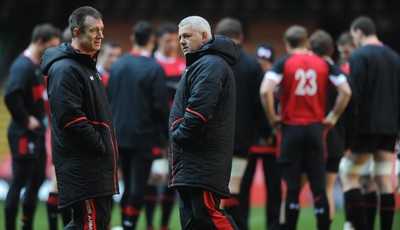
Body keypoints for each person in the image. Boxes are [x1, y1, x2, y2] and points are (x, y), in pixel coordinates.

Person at [260, 25, 351, 230]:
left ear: (287, 44)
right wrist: (333, 117)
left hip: (291, 129)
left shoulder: (285, 62)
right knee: (319, 189)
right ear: (306, 42)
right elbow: (345, 91)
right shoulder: (321, 63)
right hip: (315, 129)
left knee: (292, 189)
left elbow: (265, 90)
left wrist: (273, 118)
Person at [40, 6, 119, 229]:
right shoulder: (65, 68)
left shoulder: (87, 66)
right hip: (84, 165)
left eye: (102, 29)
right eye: (94, 30)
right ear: (76, 32)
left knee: (98, 223)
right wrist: (99, 144)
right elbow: (69, 118)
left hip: (96, 165)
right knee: (89, 224)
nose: (101, 35)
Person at [169, 15, 239, 229]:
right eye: (180, 36)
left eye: (187, 36)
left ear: (205, 35)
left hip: (202, 160)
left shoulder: (211, 64)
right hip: (193, 160)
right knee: (192, 222)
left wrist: (178, 135)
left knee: (208, 215)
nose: (181, 41)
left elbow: (198, 111)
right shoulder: (202, 63)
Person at [339, 16, 400, 230]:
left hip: (366, 128)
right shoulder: (394, 57)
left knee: (348, 174)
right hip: (390, 128)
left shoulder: (359, 56)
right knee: (383, 180)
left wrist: (350, 133)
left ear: (357, 32)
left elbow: (356, 96)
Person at [106, 20, 169, 230]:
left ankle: (125, 224)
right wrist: (165, 137)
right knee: (138, 187)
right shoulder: (154, 68)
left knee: (127, 186)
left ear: (132, 38)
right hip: (144, 137)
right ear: (153, 40)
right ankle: (129, 225)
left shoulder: (118, 66)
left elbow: (109, 100)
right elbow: (159, 107)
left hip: (119, 136)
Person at [214, 17, 274, 229]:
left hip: (213, 138)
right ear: (240, 36)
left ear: (217, 35)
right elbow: (260, 106)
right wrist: (266, 131)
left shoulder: (209, 62)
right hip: (241, 138)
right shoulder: (251, 66)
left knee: (214, 190)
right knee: (236, 187)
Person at [4, 23, 61, 230]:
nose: (52, 51)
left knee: (36, 180)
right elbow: (11, 96)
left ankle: (26, 225)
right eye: (50, 46)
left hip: (36, 135)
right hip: (23, 134)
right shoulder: (23, 65)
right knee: (19, 182)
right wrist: (27, 120)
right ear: (39, 42)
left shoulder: (36, 66)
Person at [309, 29, 353, 225]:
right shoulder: (340, 74)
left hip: (309, 135)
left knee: (295, 189)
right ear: (332, 49)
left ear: (311, 48)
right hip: (335, 138)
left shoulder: (309, 72)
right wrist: (334, 119)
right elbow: (351, 110)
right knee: (327, 188)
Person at [145, 22, 185, 230]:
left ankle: (163, 225)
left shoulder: (183, 65)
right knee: (154, 177)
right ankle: (150, 223)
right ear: (158, 40)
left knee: (172, 178)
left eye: (175, 40)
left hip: (177, 131)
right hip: (154, 131)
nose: (172, 44)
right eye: (167, 40)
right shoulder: (152, 64)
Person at [239, 43, 282, 230]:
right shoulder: (250, 79)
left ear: (272, 63)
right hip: (250, 143)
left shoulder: (278, 85)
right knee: (242, 189)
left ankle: (274, 226)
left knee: (274, 190)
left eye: (266, 62)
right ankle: (241, 225)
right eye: (260, 61)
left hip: (273, 145)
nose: (262, 64)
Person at [45, 26, 73, 230]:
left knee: (60, 183)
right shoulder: (64, 69)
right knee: (60, 183)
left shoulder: (53, 67)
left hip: (55, 131)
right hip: (62, 133)